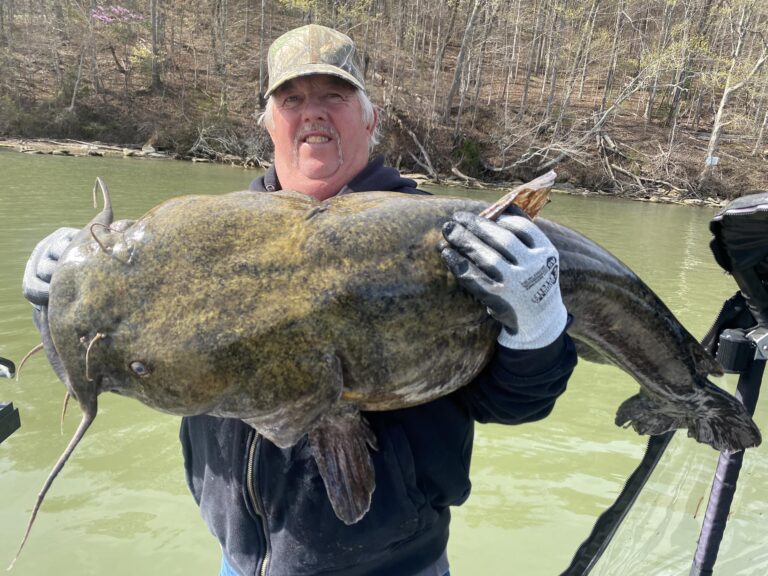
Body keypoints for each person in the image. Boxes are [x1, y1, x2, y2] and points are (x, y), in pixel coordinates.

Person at [22, 24, 576, 576]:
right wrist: (60, 295)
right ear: (267, 122)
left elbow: (514, 404)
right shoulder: (199, 235)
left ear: (370, 119)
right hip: (239, 561)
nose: (312, 112)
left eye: (333, 96)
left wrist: (537, 330)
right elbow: (108, 365)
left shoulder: (455, 241)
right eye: (291, 98)